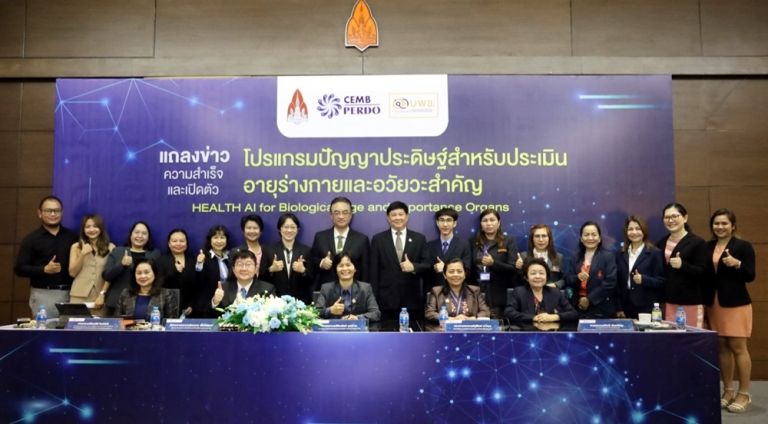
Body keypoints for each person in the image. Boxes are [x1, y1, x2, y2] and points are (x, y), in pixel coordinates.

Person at [704, 209, 756, 413]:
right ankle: (728, 391)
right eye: (716, 223)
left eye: (724, 223)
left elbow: (750, 275)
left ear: (733, 226)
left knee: (738, 347)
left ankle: (744, 393)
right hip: (714, 303)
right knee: (722, 347)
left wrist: (737, 264)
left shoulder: (743, 246)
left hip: (736, 304)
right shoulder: (708, 246)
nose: (720, 227)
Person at [14, 196, 78, 319]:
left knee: (70, 330)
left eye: (56, 210)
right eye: (49, 211)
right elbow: (19, 269)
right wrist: (44, 269)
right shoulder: (31, 239)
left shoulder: (72, 237)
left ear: (62, 213)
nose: (53, 214)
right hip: (43, 295)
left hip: (72, 294)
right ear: (40, 213)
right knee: (45, 330)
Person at [369, 201, 430, 321]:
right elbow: (374, 272)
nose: (397, 218)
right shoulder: (378, 239)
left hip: (412, 301)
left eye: (401, 214)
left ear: (407, 216)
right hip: (386, 301)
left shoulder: (419, 238)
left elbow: (427, 265)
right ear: (388, 218)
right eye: (394, 215)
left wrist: (414, 267)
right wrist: (374, 299)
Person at [656, 202, 708, 327]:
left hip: (690, 301)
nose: (670, 220)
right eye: (667, 217)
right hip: (668, 301)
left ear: (685, 218)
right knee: (671, 337)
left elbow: (704, 272)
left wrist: (683, 266)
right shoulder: (661, 243)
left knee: (691, 337)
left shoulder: (698, 242)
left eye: (675, 216)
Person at [102, 221, 161, 316]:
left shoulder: (154, 254)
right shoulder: (118, 251)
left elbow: (158, 276)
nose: (140, 236)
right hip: (117, 302)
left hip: (145, 303)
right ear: (131, 234)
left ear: (148, 237)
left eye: (144, 233)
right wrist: (121, 265)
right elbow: (106, 276)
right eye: (137, 232)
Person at [469, 208, 520, 318]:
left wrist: (493, 263)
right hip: (477, 292)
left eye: (492, 220)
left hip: (499, 293)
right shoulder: (472, 242)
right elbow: (469, 268)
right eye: (485, 220)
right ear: (481, 224)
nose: (489, 223)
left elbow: (513, 268)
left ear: (499, 222)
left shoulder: (508, 241)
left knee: (498, 325)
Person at [311, 197, 370, 287]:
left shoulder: (362, 239)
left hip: (353, 290)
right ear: (331, 215)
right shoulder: (320, 237)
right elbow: (312, 261)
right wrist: (321, 263)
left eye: (345, 212)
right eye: (337, 213)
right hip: (327, 290)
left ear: (350, 215)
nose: (341, 216)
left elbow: (365, 271)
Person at [615, 216, 665, 319]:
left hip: (646, 307)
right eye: (630, 229)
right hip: (625, 307)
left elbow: (661, 281)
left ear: (644, 231)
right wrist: (619, 307)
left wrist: (644, 279)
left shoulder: (654, 253)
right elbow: (617, 283)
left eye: (638, 229)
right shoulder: (620, 253)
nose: (634, 232)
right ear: (626, 232)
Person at [565, 221, 617, 318]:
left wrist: (589, 299)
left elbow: (610, 283)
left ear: (599, 238)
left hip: (600, 308)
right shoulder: (575, 257)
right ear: (581, 239)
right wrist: (577, 277)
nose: (590, 238)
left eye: (594, 234)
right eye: (586, 235)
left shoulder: (608, 256)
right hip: (577, 307)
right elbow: (568, 279)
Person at [68, 214, 115, 316]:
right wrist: (82, 254)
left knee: (99, 325)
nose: (91, 230)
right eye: (88, 227)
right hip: (78, 295)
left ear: (101, 228)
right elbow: (72, 273)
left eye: (95, 226)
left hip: (100, 297)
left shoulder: (111, 247)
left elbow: (111, 275)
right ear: (83, 229)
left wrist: (102, 294)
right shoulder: (75, 247)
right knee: (76, 324)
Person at [505, 258, 577, 323]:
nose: (538, 276)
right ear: (526, 278)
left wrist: (555, 317)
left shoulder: (555, 292)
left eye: (541, 273)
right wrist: (533, 318)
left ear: (546, 276)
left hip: (551, 331)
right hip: (527, 331)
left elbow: (573, 313)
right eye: (533, 273)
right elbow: (509, 312)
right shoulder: (519, 292)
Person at [315, 252, 381, 321]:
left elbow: (376, 313)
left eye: (348, 265)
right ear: (336, 270)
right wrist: (330, 310)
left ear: (355, 268)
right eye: (341, 266)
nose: (345, 268)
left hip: (357, 327)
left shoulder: (365, 288)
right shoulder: (326, 288)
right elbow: (315, 312)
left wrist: (357, 318)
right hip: (334, 327)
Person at [264, 213, 314, 304]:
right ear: (279, 229)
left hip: (300, 302)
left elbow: (312, 279)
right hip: (275, 302)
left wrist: (303, 271)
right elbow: (261, 278)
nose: (289, 230)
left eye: (293, 227)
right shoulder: (268, 250)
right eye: (286, 227)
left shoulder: (306, 250)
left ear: (298, 230)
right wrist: (271, 269)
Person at [210, 250, 275, 314]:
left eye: (248, 264)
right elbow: (214, 316)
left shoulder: (267, 289)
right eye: (240, 264)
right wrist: (215, 302)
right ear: (233, 269)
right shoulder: (223, 288)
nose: (244, 269)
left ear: (256, 269)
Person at [425, 258, 489, 322]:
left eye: (459, 271)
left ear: (465, 274)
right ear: (444, 275)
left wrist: (474, 318)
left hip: (469, 327)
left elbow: (485, 311)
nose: (456, 274)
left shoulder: (475, 291)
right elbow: (430, 313)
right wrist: (449, 319)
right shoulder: (437, 291)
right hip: (445, 327)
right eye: (451, 271)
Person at [425, 207, 471, 288]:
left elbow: (467, 270)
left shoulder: (463, 244)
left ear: (454, 223)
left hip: (456, 289)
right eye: (442, 220)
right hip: (436, 290)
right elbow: (426, 270)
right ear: (437, 223)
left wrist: (444, 268)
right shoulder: (429, 245)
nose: (445, 224)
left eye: (449, 220)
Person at [157, 229, 198, 317]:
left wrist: (192, 304)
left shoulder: (193, 260)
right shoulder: (161, 261)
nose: (178, 244)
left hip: (190, 309)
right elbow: (158, 284)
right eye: (174, 241)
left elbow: (199, 286)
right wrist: (174, 272)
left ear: (186, 243)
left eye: (182, 241)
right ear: (169, 244)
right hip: (167, 307)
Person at [194, 224, 233, 317]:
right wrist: (199, 264)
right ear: (210, 240)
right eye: (215, 238)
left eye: (222, 237)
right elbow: (197, 282)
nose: (219, 241)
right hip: (209, 306)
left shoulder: (231, 257)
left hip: (229, 304)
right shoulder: (203, 256)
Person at [515, 224, 565, 289]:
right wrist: (518, 269)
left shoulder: (558, 257)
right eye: (537, 236)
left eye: (544, 236)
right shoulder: (524, 256)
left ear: (549, 238)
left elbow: (564, 280)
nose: (541, 240)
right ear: (532, 239)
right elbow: (517, 282)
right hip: (529, 293)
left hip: (551, 292)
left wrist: (555, 285)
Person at [229, 214, 269, 279]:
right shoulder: (235, 252)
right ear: (243, 231)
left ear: (260, 231)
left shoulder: (268, 251)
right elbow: (231, 278)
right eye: (248, 228)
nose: (252, 231)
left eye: (255, 228)